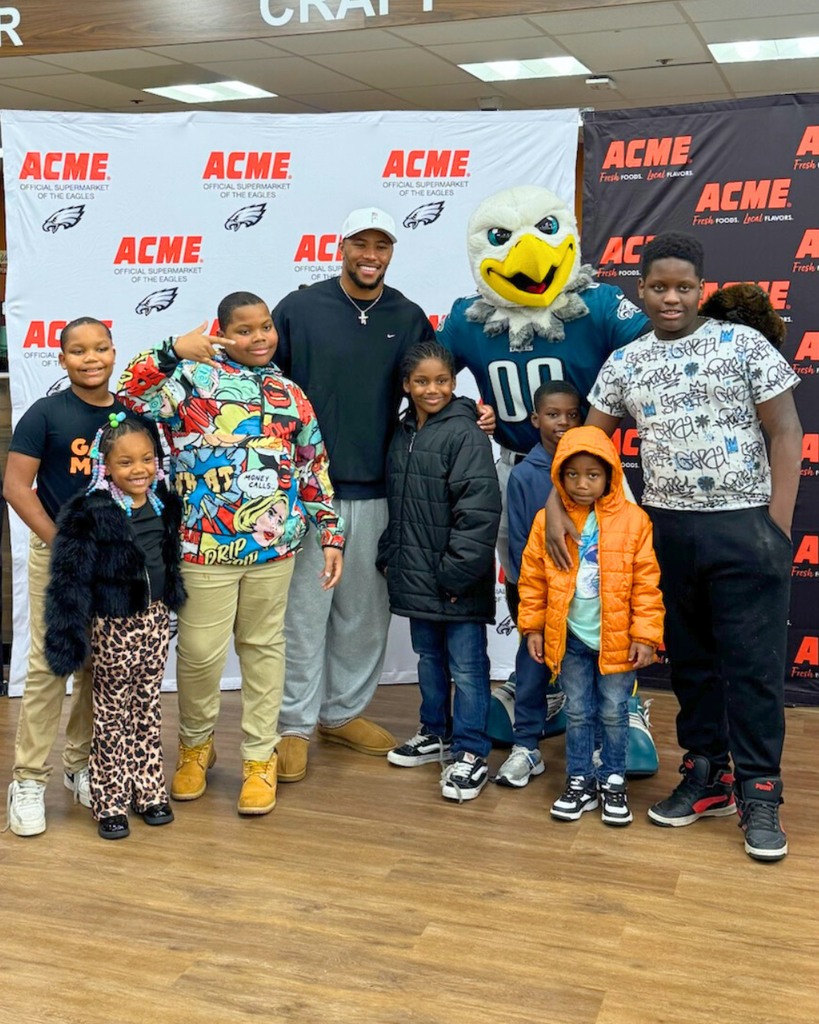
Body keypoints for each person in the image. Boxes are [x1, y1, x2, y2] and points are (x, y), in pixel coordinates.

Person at [549, 233, 802, 860]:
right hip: (665, 531)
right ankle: (707, 774)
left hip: (745, 527)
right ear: (642, 289)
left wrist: (778, 527)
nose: (670, 298)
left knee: (752, 668)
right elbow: (591, 443)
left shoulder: (742, 344)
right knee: (692, 664)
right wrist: (557, 500)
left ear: (700, 290)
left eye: (683, 287)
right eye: (659, 287)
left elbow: (787, 428)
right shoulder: (627, 362)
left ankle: (760, 793)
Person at [272, 207, 494, 783]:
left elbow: (431, 385)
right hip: (309, 491)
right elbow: (267, 391)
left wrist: (471, 409)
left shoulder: (407, 314)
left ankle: (340, 714)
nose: (371, 255)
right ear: (340, 246)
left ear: (391, 251)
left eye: (382, 245)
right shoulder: (299, 309)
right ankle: (292, 725)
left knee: (363, 615)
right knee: (303, 614)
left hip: (380, 490)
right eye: (360, 244)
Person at [119, 291, 344, 817]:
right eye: (245, 330)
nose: (260, 337)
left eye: (266, 327)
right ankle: (195, 747)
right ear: (221, 333)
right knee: (198, 654)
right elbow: (128, 394)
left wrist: (331, 535)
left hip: (275, 550)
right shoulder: (191, 382)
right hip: (202, 548)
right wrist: (176, 348)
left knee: (264, 650)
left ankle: (258, 758)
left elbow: (313, 467)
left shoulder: (291, 392)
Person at [3, 317, 157, 837]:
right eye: (78, 351)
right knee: (52, 666)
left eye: (101, 348)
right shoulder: (45, 413)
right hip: (61, 556)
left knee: (103, 667)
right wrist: (62, 541)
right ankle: (27, 779)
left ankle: (80, 765)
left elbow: (144, 483)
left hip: (113, 559)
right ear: (62, 359)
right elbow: (16, 486)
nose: (91, 358)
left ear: (115, 353)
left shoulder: (130, 416)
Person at [44, 414, 185, 840]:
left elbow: (168, 555)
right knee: (110, 715)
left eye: (146, 459)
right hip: (113, 625)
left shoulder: (164, 501)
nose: (138, 469)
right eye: (125, 463)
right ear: (105, 466)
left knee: (147, 708)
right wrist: (69, 639)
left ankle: (149, 791)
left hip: (156, 619)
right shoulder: (89, 512)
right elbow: (67, 581)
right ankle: (110, 802)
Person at [518, 426, 664, 825]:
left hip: (616, 641)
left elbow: (647, 582)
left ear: (611, 475)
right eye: (572, 474)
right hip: (571, 639)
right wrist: (532, 627)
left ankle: (613, 780)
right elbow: (532, 578)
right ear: (559, 476)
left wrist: (646, 635)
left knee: (615, 712)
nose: (582, 484)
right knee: (579, 712)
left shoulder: (635, 521)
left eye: (593, 475)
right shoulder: (546, 520)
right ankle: (579, 779)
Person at [378, 342, 501, 801]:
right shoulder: (404, 430)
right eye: (422, 382)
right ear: (407, 386)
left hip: (455, 579)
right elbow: (402, 503)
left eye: (442, 380)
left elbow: (479, 509)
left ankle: (471, 752)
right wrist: (391, 552)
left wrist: (457, 574)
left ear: (454, 381)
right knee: (429, 660)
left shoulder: (465, 431)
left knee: (468, 669)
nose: (433, 389)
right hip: (416, 573)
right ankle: (436, 734)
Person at [493, 381, 581, 788]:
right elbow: (519, 546)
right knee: (531, 671)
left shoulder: (594, 468)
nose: (562, 422)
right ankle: (526, 747)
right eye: (552, 414)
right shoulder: (525, 475)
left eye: (571, 414)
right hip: (542, 597)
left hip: (589, 598)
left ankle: (592, 753)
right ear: (534, 419)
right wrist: (530, 603)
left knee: (592, 674)